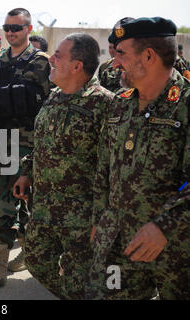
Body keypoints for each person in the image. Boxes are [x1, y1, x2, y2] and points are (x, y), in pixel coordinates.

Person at [88, 17, 189, 300]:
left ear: (148, 56)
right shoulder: (120, 102)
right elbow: (104, 168)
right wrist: (100, 219)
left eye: (121, 54)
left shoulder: (185, 104)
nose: (115, 63)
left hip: (176, 248)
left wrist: (163, 226)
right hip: (119, 240)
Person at [14, 33, 114, 299]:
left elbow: (113, 167)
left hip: (81, 217)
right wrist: (27, 172)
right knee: (36, 261)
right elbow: (42, 143)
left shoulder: (104, 104)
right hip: (44, 208)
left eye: (58, 55)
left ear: (77, 66)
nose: (51, 59)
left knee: (80, 279)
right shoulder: (55, 97)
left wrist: (102, 217)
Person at [0, 8, 51, 285]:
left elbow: (55, 100)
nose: (10, 32)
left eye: (16, 27)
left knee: (27, 201)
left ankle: (30, 253)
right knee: (6, 199)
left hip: (30, 142)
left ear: (29, 29)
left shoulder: (42, 62)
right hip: (2, 140)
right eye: (6, 27)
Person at [98, 18, 134, 93]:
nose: (114, 65)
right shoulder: (106, 69)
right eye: (117, 50)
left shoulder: (155, 73)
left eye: (122, 52)